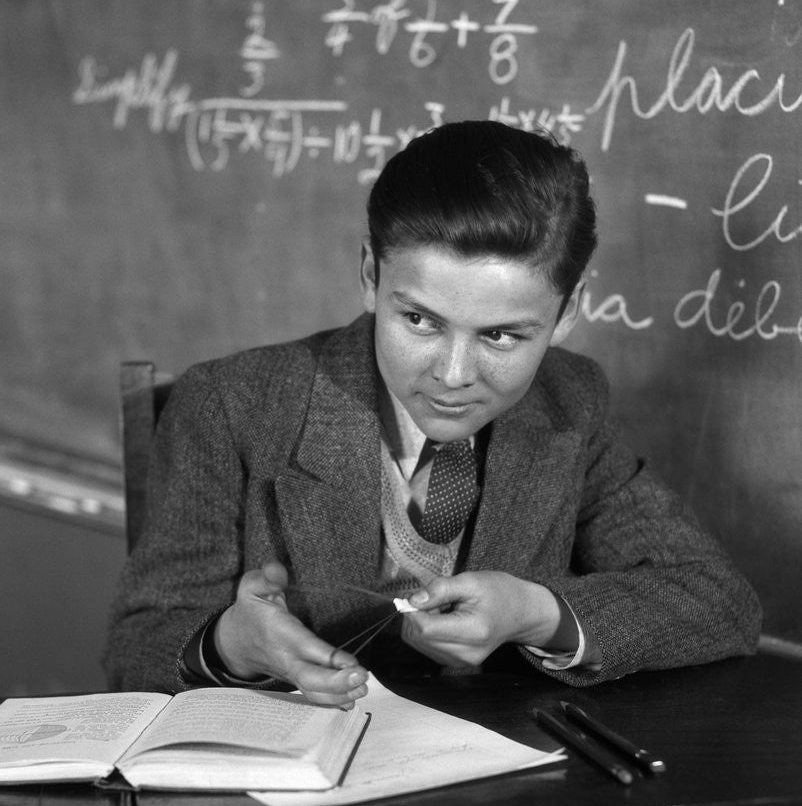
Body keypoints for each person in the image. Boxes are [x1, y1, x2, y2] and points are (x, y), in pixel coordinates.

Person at [104, 121, 761, 704]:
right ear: (370, 275)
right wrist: (228, 644)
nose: (452, 375)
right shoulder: (229, 405)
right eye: (419, 319)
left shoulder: (571, 404)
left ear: (568, 311)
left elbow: (721, 602)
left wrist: (538, 613)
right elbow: (136, 647)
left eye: (501, 336)